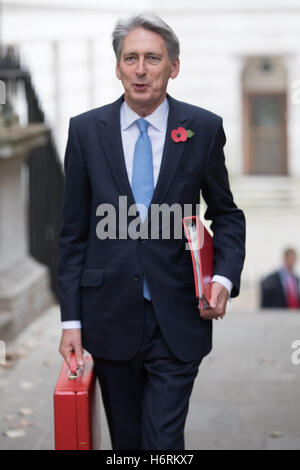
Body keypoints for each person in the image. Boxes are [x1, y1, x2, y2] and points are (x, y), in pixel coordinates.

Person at [58, 13, 246, 450]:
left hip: (178, 317)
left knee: (162, 442)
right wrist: (71, 321)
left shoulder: (202, 129)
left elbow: (227, 214)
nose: (140, 69)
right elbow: (71, 236)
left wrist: (222, 278)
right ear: (118, 66)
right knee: (126, 445)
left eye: (152, 58)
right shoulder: (86, 131)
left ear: (173, 67)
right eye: (131, 58)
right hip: (108, 317)